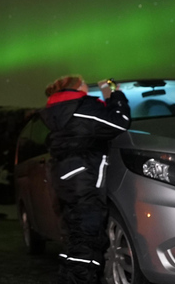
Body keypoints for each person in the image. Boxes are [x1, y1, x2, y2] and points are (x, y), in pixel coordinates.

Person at [39, 75, 130, 284]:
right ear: (77, 88)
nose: (87, 89)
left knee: (75, 236)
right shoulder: (82, 107)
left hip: (64, 176)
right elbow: (119, 122)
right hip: (84, 178)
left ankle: (71, 278)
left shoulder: (57, 110)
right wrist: (115, 94)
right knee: (88, 236)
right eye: (84, 86)